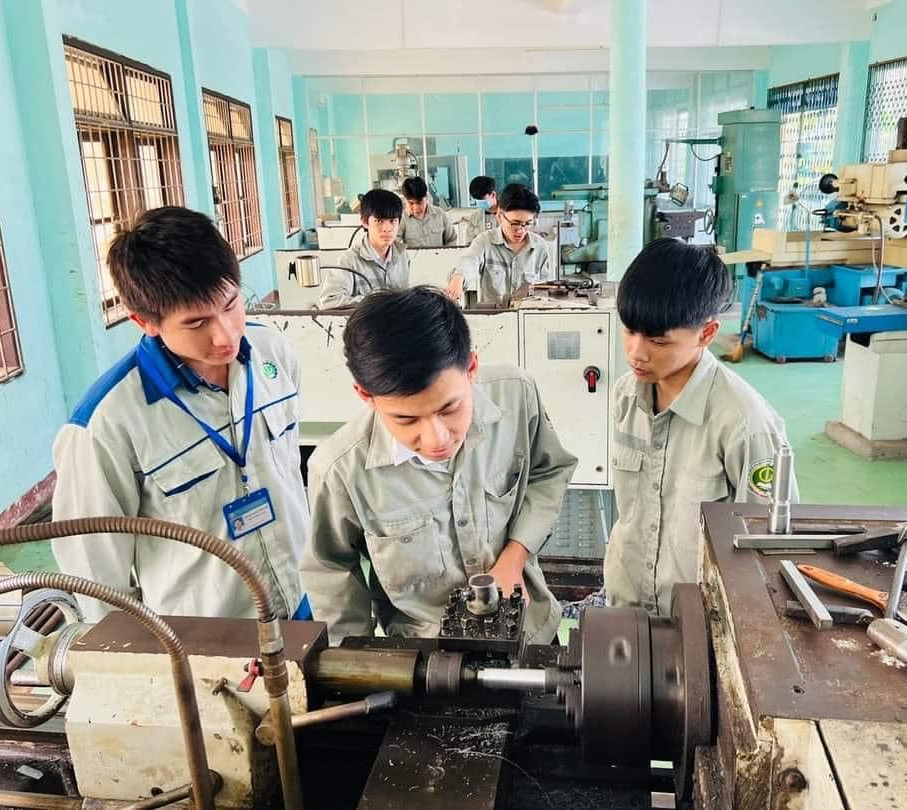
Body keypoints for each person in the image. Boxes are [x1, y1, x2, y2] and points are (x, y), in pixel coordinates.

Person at [51, 206, 309, 622]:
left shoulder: (272, 351)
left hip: (302, 601)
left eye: (231, 305)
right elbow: (96, 581)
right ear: (145, 321)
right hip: (209, 635)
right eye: (197, 322)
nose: (225, 334)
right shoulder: (105, 425)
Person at [301, 286, 577, 644]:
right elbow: (332, 572)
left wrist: (515, 556)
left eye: (449, 408)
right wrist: (355, 661)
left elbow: (549, 472)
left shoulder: (516, 396)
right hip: (425, 652)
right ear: (366, 396)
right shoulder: (340, 471)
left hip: (528, 629)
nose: (436, 439)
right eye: (406, 419)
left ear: (471, 367)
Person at [603, 239, 798, 616]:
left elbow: (769, 545)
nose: (636, 353)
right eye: (628, 331)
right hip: (626, 604)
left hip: (701, 619)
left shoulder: (745, 424)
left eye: (658, 341)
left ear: (706, 333)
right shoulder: (626, 395)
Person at [446, 183, 551, 307]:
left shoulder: (540, 247)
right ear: (500, 215)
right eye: (515, 223)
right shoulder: (484, 241)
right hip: (494, 316)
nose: (520, 230)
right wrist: (459, 278)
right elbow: (469, 261)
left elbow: (547, 290)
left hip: (527, 316)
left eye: (527, 223)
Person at [319, 188, 409, 308]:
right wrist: (375, 302)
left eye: (392, 221)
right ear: (365, 222)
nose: (387, 228)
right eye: (379, 221)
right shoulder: (349, 260)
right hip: (365, 320)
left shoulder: (402, 255)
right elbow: (329, 301)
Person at [397, 177, 457, 248]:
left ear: (426, 197)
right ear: (405, 200)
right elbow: (394, 243)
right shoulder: (402, 218)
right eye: (411, 203)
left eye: (419, 202)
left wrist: (444, 253)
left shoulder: (440, 214)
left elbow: (451, 239)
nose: (416, 207)